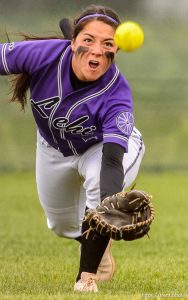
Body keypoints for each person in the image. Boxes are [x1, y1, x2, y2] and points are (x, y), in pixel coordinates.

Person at [0, 5, 145, 292]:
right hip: (53, 148)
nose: (96, 51)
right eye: (88, 40)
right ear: (73, 42)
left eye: (107, 44)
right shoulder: (45, 55)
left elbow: (112, 162)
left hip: (105, 148)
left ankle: (87, 278)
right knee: (62, 225)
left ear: (116, 50)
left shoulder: (116, 94)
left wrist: (108, 207)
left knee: (98, 194)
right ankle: (98, 241)